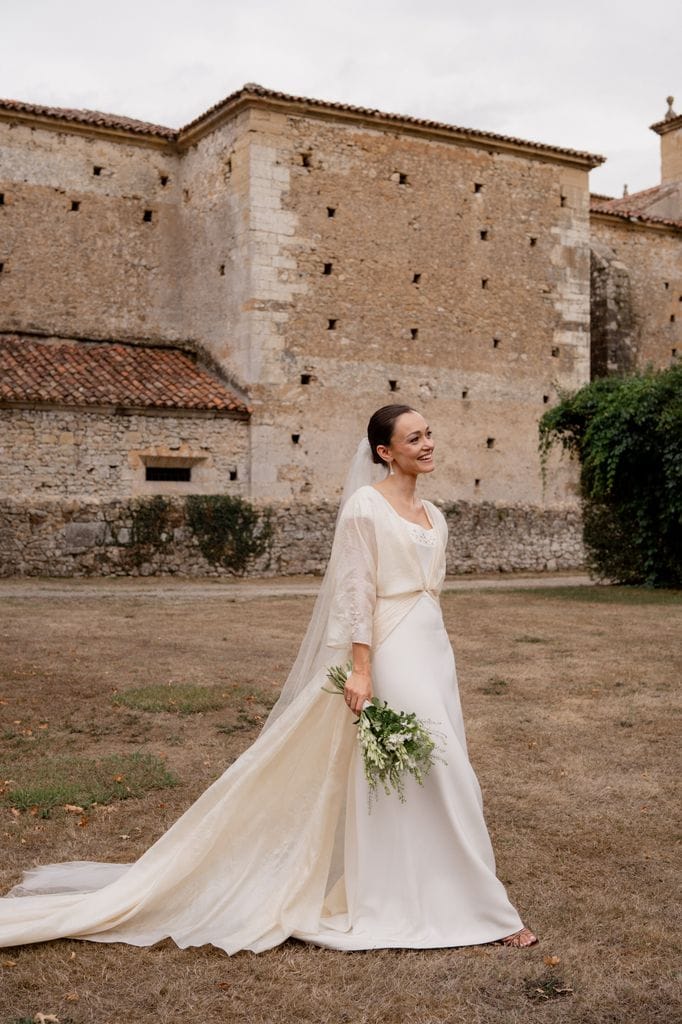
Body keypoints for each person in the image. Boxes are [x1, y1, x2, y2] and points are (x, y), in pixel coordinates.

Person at [0, 404, 537, 952]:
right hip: (390, 650)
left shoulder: (435, 515)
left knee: (432, 771)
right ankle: (487, 911)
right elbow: (356, 591)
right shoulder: (365, 506)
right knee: (441, 768)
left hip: (432, 650)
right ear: (385, 452)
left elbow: (431, 589)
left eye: (429, 434)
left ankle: (426, 893)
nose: (427, 444)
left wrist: (436, 648)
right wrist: (360, 668)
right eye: (414, 438)